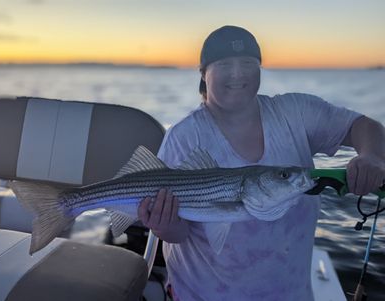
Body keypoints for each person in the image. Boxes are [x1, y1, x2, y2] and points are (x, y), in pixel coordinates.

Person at [138, 25, 385, 300]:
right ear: (203, 73)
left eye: (247, 63)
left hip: (292, 292)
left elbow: (362, 126)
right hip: (205, 294)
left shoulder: (296, 113)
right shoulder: (184, 137)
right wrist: (163, 226)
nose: (237, 73)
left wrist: (371, 156)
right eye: (224, 64)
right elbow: (177, 234)